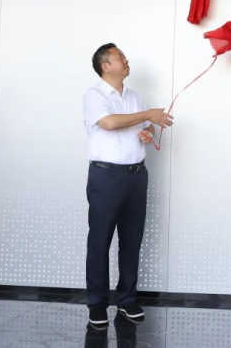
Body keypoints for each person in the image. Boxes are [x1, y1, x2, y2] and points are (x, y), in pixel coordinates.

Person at [82, 43, 173, 326]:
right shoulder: (94, 95)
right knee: (100, 241)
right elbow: (109, 123)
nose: (126, 59)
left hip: (136, 175)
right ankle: (97, 304)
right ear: (105, 66)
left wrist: (147, 132)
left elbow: (145, 128)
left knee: (132, 240)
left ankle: (126, 299)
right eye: (119, 57)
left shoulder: (135, 97)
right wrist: (147, 116)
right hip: (106, 177)